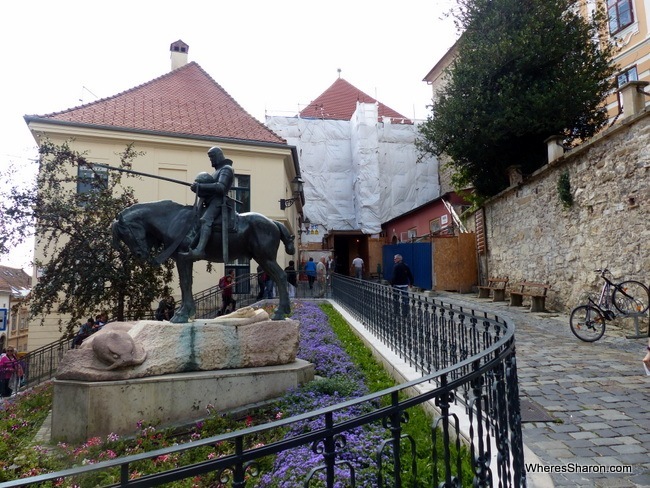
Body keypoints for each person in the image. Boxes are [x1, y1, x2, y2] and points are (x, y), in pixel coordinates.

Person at [181, 146, 235, 260]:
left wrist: (201, 186)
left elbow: (221, 187)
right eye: (210, 158)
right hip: (209, 201)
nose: (211, 160)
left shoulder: (226, 169)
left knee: (206, 220)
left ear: (218, 156)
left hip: (219, 202)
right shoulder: (216, 172)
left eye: (212, 157)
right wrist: (198, 188)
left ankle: (200, 250)